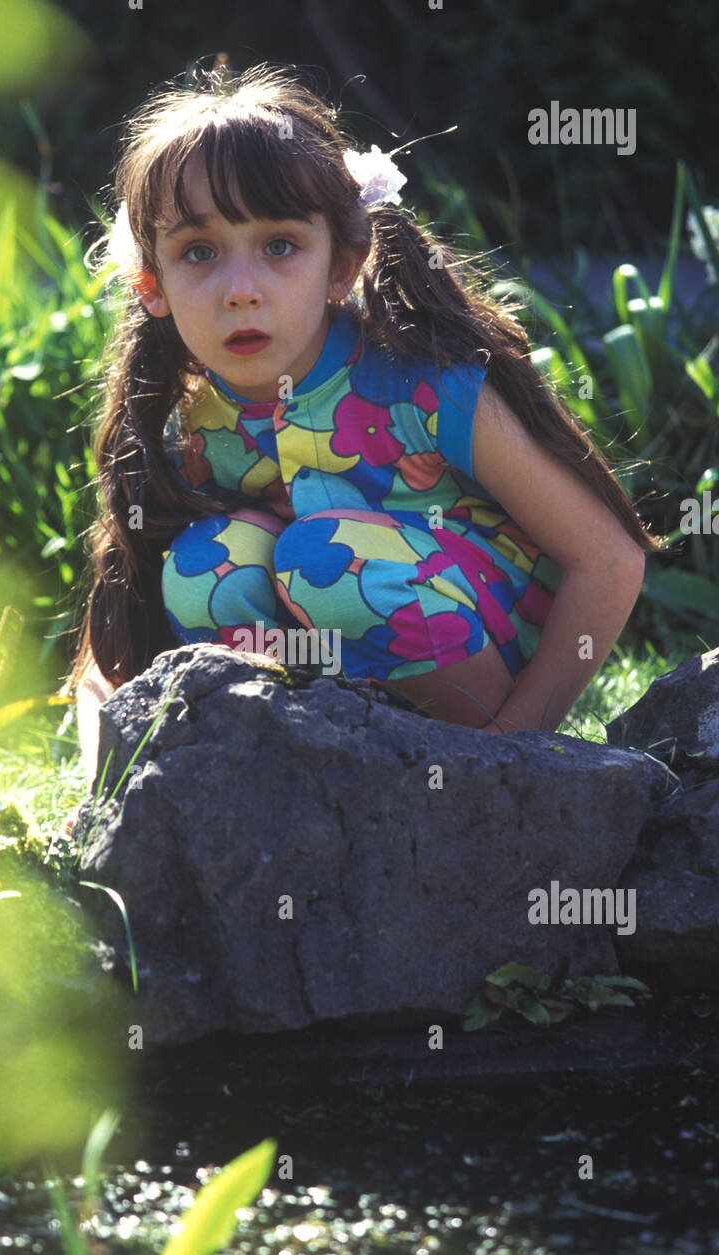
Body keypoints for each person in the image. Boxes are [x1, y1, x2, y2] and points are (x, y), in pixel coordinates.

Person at [66, 59, 664, 791]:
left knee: (324, 562)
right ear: (150, 286)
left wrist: (517, 744)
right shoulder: (189, 430)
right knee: (203, 567)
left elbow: (608, 560)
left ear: (342, 266)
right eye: (200, 252)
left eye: (280, 245)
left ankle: (453, 755)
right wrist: (102, 781)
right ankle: (310, 764)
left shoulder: (423, 388)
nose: (241, 291)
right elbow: (108, 653)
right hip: (338, 677)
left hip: (491, 659)